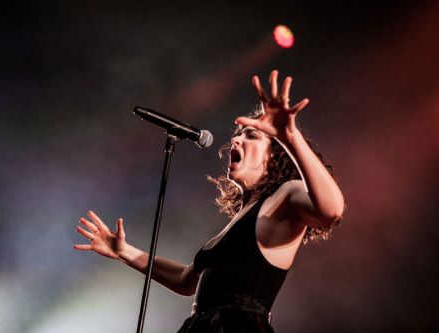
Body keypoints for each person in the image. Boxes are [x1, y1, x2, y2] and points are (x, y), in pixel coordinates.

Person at [74, 70, 345, 332]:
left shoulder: (286, 194)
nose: (236, 140)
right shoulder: (241, 218)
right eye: (237, 134)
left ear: (275, 157)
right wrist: (125, 252)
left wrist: (290, 137)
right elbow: (186, 281)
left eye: (251, 135)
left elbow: (331, 210)